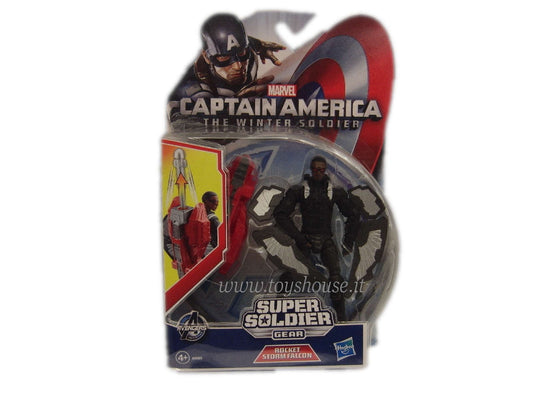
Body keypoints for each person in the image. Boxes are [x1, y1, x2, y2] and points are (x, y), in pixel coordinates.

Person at [273, 156, 360, 320]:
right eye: (315, 169)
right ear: (311, 170)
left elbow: (353, 214)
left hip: (326, 239)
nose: (318, 172)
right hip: (306, 239)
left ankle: (341, 318)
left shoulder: (334, 192)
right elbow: (280, 213)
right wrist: (298, 237)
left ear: (325, 170)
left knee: (335, 278)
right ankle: (277, 309)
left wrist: (348, 242)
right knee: (291, 273)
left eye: (321, 169)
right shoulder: (300, 190)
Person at [168, 13, 285, 116]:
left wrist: (261, 46)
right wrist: (237, 106)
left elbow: (239, 43)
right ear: (207, 57)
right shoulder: (194, 88)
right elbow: (202, 125)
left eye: (241, 52)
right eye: (224, 57)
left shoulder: (246, 51)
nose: (238, 66)